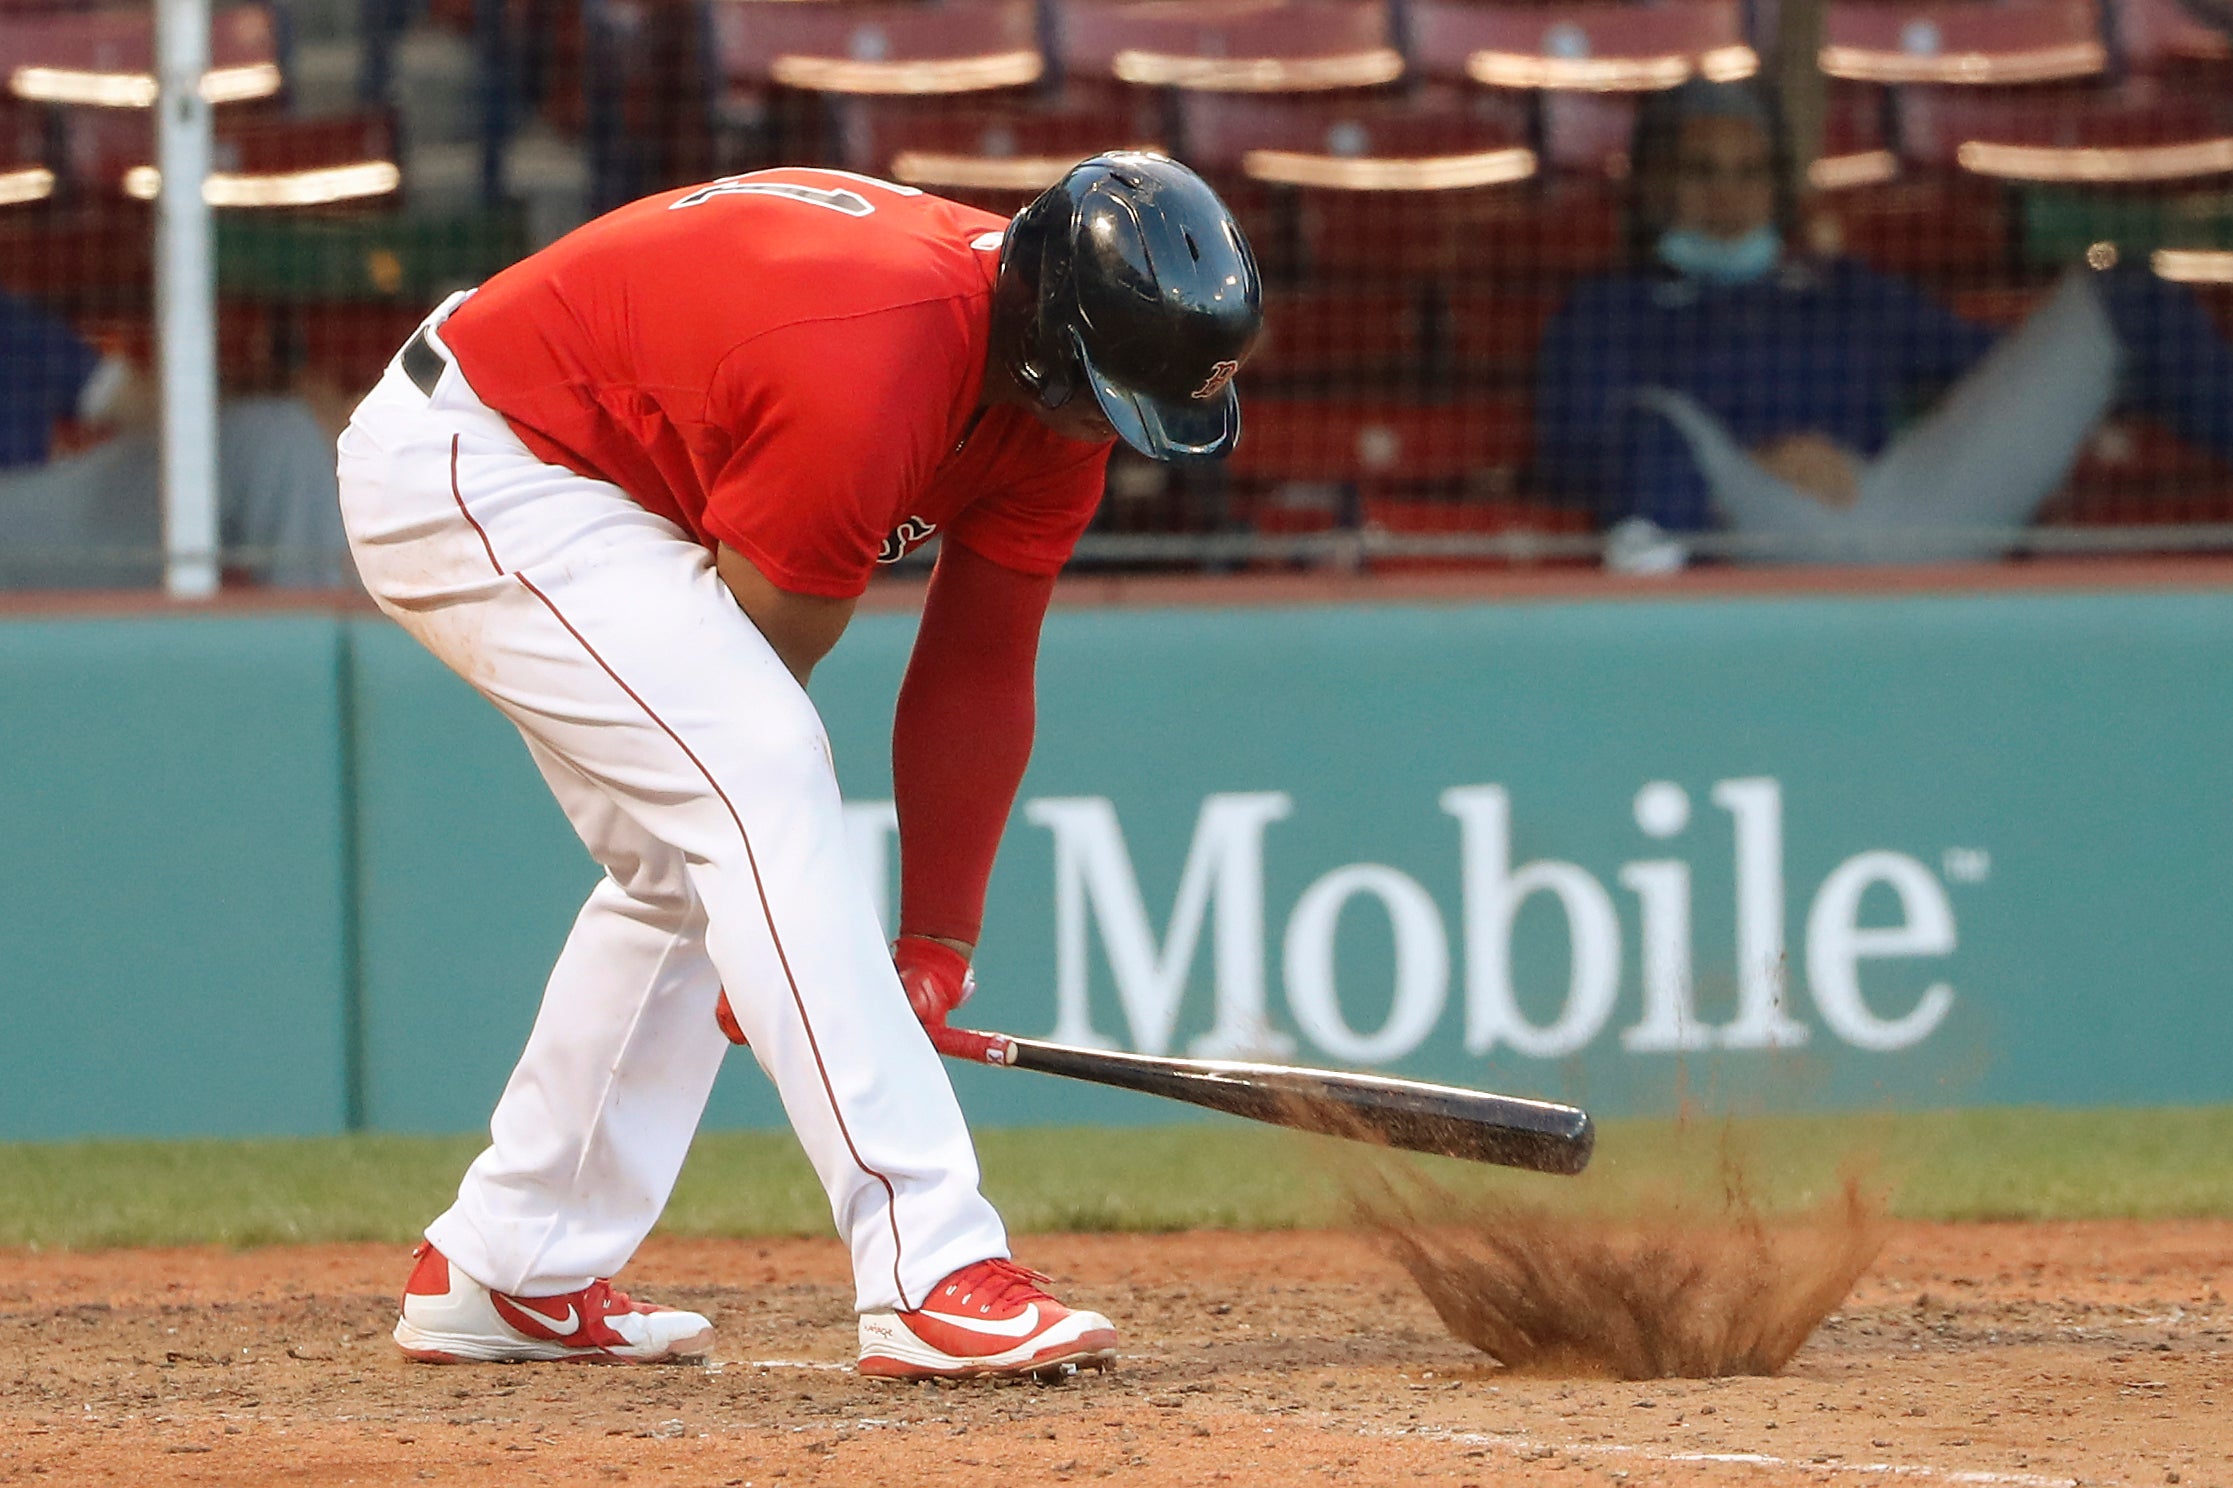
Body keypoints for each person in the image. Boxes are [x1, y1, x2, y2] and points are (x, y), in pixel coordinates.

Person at [336, 154, 1262, 1378]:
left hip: (601, 474)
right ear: (1050, 338)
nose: (1107, 428)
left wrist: (935, 943)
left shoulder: (1058, 394)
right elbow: (755, 704)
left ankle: (510, 1265)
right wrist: (776, 937)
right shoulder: (870, 365)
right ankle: (928, 1263)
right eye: (1101, 397)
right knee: (752, 784)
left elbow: (979, 668)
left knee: (695, 856)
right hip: (484, 455)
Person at [1533, 79, 2233, 567]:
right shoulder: (1609, 307)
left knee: (2124, 294)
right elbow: (1576, 448)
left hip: (1905, 508)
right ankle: (1652, 649)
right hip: (1753, 527)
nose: (1727, 195)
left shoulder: (1842, 289)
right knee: (1657, 427)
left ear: (1777, 188)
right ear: (1652, 185)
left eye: (1750, 172)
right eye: (1699, 171)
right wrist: (1753, 460)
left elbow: (1990, 373)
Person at [0, 287, 355, 589]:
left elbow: (138, 403)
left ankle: (343, 652)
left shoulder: (9, 322)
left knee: (279, 436)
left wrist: (282, 389)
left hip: (37, 523)